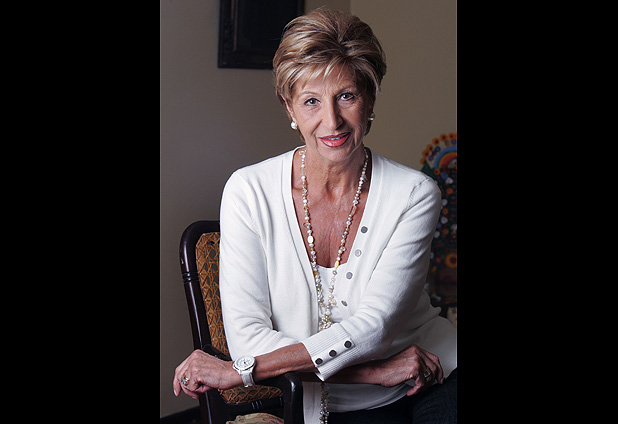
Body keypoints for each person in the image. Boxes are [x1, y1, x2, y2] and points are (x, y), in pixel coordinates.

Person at [173, 8, 457, 423]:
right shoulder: (248, 192)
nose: (332, 121)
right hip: (321, 394)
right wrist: (374, 372)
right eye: (311, 101)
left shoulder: (414, 194)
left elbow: (374, 329)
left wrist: (240, 371)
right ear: (289, 108)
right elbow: (247, 340)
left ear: (370, 99)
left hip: (425, 380)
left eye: (347, 96)